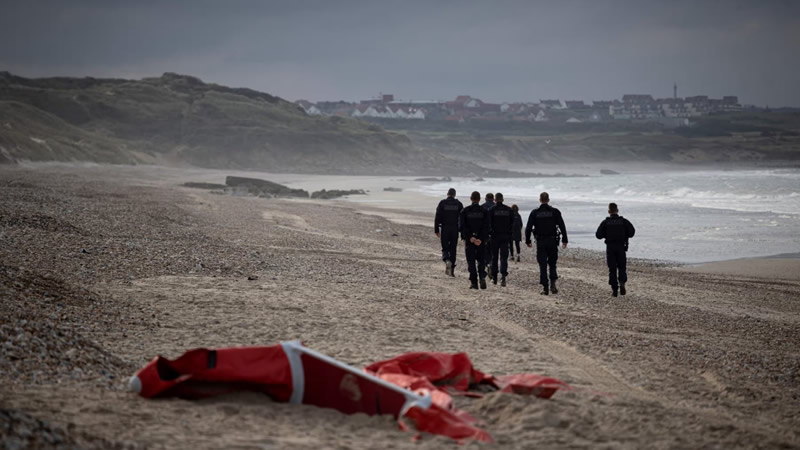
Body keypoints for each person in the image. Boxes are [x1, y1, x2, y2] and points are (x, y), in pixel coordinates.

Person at [525, 192, 568, 295]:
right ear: (548, 200)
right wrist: (565, 240)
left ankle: (545, 287)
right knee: (552, 263)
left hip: (541, 242)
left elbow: (529, 227)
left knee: (542, 265)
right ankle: (553, 284)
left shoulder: (535, 213)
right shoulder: (555, 212)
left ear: (540, 200)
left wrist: (528, 240)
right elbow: (562, 226)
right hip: (553, 241)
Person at [595, 202, 636, 297]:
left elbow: (598, 235)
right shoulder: (624, 221)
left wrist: (606, 234)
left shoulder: (605, 222)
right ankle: (622, 282)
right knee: (622, 267)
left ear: (609, 211)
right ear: (617, 210)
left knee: (612, 268)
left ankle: (614, 288)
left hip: (610, 247)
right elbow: (632, 232)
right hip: (621, 246)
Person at [460, 191, 490, 290]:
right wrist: (481, 238)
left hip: (470, 241)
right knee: (481, 260)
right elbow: (487, 227)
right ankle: (482, 276)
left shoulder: (465, 211)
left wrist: (470, 237)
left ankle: (474, 283)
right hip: (481, 241)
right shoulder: (484, 211)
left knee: (471, 261)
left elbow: (462, 227)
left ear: (471, 198)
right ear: (479, 199)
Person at [434, 188, 463, 277]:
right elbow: (462, 218)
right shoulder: (459, 204)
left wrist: (436, 230)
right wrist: (462, 231)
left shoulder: (442, 203)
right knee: (453, 249)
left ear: (447, 194)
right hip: (455, 229)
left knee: (445, 248)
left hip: (445, 228)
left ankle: (447, 260)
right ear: (454, 194)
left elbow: (437, 216)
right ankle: (452, 270)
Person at [488, 193, 513, 286]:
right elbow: (512, 223)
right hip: (505, 236)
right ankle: (503, 277)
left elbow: (488, 224)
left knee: (494, 257)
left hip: (495, 236)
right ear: (503, 199)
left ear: (495, 199)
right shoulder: (509, 210)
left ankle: (494, 278)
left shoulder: (491, 210)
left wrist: (490, 233)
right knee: (504, 257)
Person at [480, 193, 495, 274]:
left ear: (485, 198)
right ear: (493, 199)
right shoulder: (496, 207)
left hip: (484, 233)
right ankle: (491, 264)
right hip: (495, 233)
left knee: (485, 250)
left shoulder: (482, 207)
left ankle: (487, 264)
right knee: (493, 251)